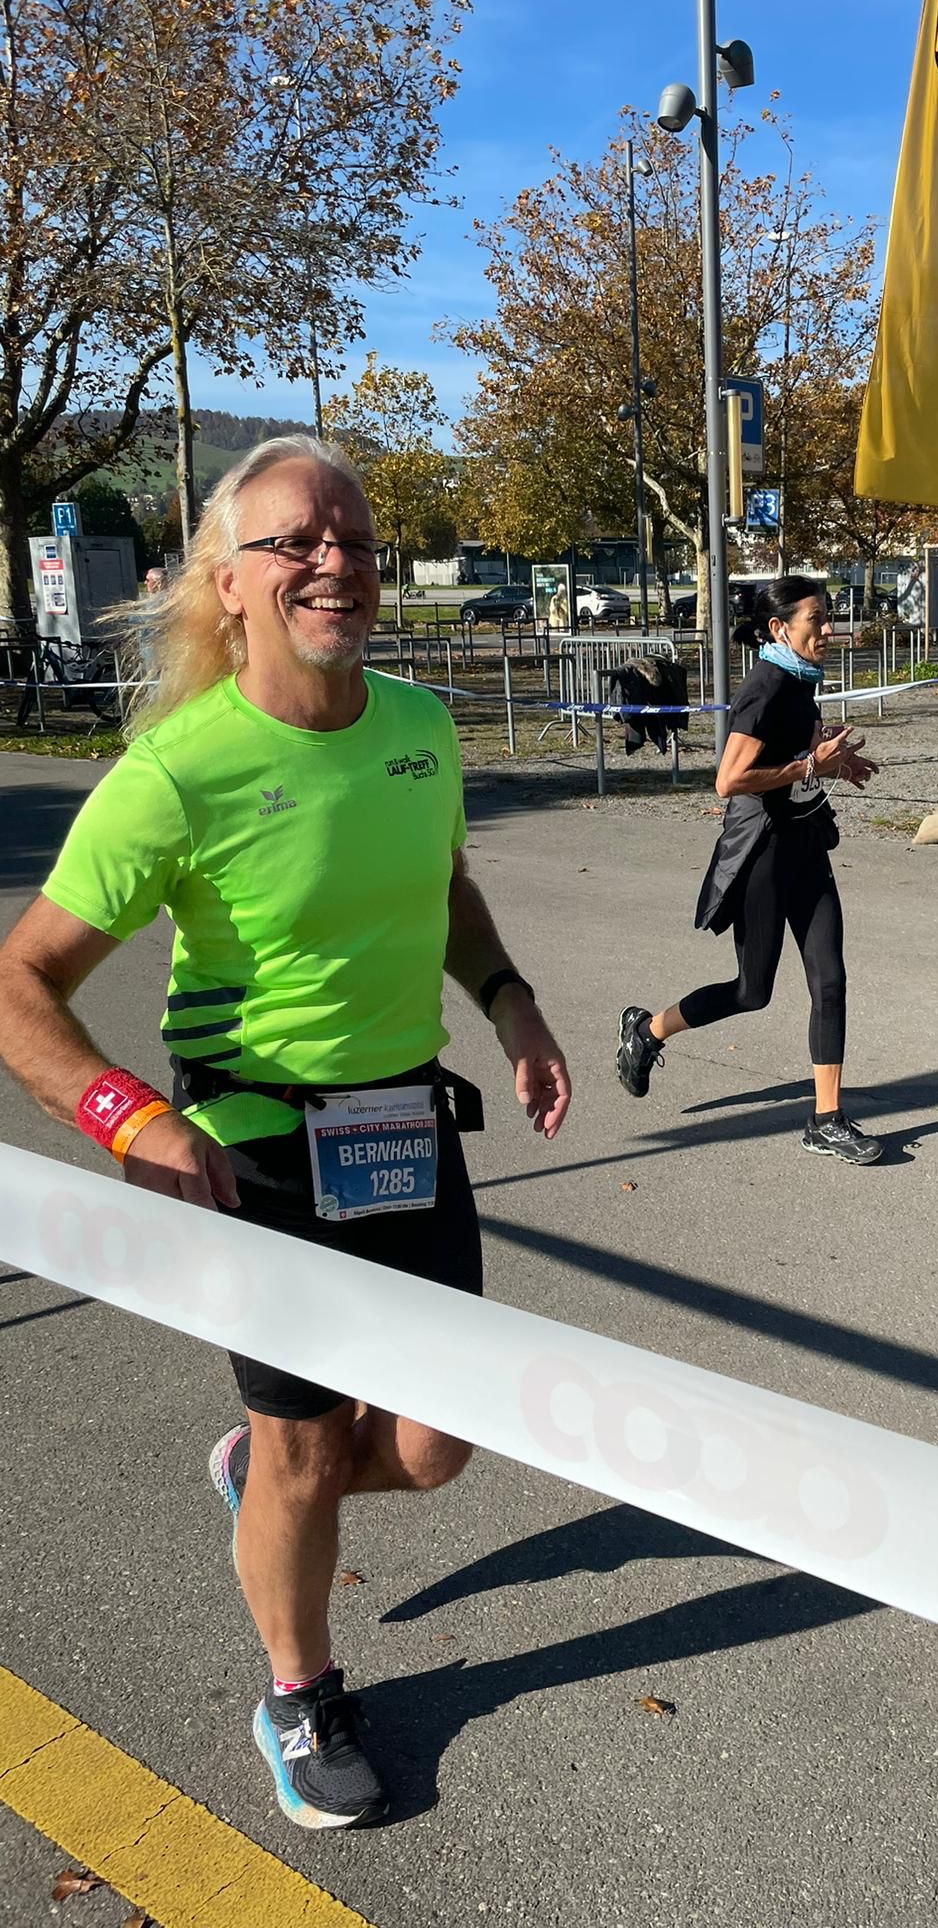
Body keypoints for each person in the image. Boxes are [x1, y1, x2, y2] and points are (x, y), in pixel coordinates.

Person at [0, 435, 571, 1830]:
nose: (335, 563)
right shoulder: (175, 772)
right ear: (227, 582)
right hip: (251, 1147)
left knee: (434, 1446)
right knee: (312, 1450)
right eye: (297, 542)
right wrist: (131, 1120)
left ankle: (265, 1479)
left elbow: (441, 885)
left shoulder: (420, 728)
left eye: (356, 542)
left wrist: (511, 1003)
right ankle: (299, 1691)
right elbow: (21, 986)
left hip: (404, 1125)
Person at [615, 574, 882, 1164]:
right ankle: (648, 1030)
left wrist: (834, 763)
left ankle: (827, 1120)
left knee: (829, 980)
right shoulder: (765, 686)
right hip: (763, 853)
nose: (828, 628)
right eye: (817, 619)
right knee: (750, 991)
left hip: (805, 846)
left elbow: (793, 753)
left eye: (829, 616)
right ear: (779, 628)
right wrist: (810, 765)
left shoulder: (800, 679)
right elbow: (729, 779)